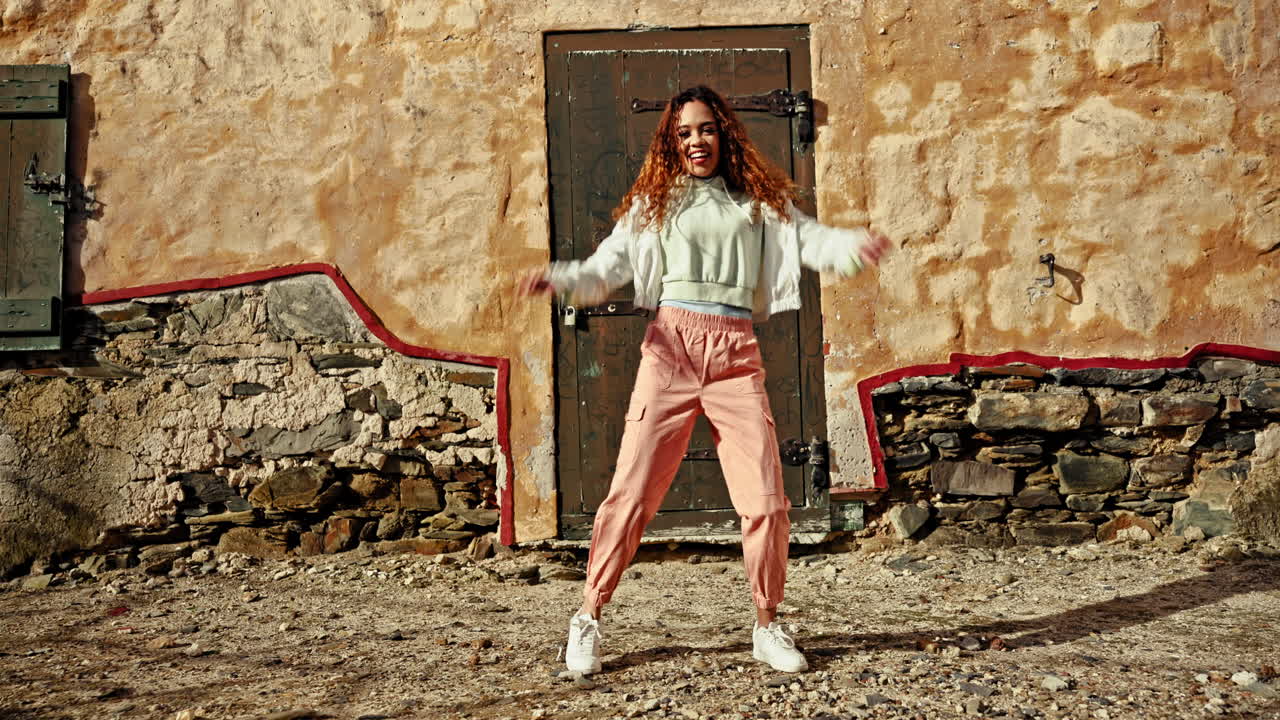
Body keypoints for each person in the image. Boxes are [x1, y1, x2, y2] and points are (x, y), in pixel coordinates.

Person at [519, 85, 889, 675]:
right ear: (672, 141)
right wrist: (561, 280)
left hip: (735, 354)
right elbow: (606, 267)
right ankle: (588, 615)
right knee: (632, 492)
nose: (697, 141)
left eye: (707, 129)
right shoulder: (654, 203)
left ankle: (767, 624)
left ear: (725, 135)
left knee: (766, 500)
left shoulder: (757, 200)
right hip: (670, 350)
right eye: (685, 132)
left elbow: (810, 238)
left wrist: (854, 245)